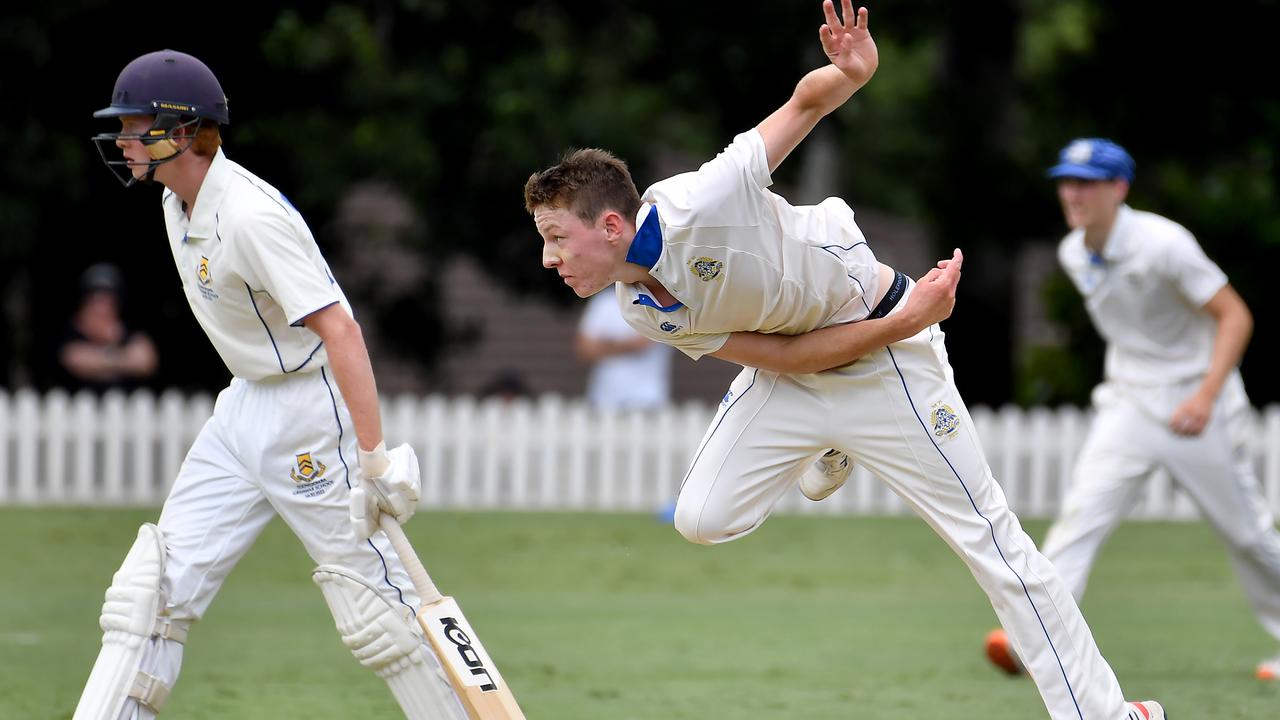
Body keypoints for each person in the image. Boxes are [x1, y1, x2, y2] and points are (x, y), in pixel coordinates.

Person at [523, 3, 1164, 718]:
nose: (549, 258)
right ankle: (830, 442)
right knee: (701, 517)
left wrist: (852, 72)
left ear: (610, 225)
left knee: (995, 550)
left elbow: (801, 106)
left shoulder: (701, 202)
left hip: (887, 349)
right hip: (799, 368)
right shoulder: (639, 308)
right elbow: (783, 359)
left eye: (555, 237)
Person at [77, 50, 467, 719]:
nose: (122, 139)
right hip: (244, 405)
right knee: (151, 592)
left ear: (181, 128)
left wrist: (372, 458)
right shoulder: (177, 202)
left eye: (136, 124)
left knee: (379, 611)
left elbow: (340, 328)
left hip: (308, 413)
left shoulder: (251, 215)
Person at [984, 137, 1280, 683]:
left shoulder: (1165, 244)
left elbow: (1235, 316)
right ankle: (1035, 640)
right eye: (1066, 183)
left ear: (1119, 188)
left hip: (1198, 403)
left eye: (1087, 183)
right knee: (1079, 519)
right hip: (1128, 403)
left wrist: (1206, 396)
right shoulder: (1074, 251)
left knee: (1248, 535)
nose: (1073, 194)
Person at [55, 263, 159, 393]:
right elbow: (73, 359)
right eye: (95, 300)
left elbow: (146, 361)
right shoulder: (71, 333)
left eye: (107, 300)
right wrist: (123, 357)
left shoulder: (130, 332)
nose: (100, 307)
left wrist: (101, 358)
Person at [576, 287, 672, 410]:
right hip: (604, 399)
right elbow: (585, 349)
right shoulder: (604, 301)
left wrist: (605, 344)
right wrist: (627, 344)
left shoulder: (658, 298)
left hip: (647, 399)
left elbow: (642, 344)